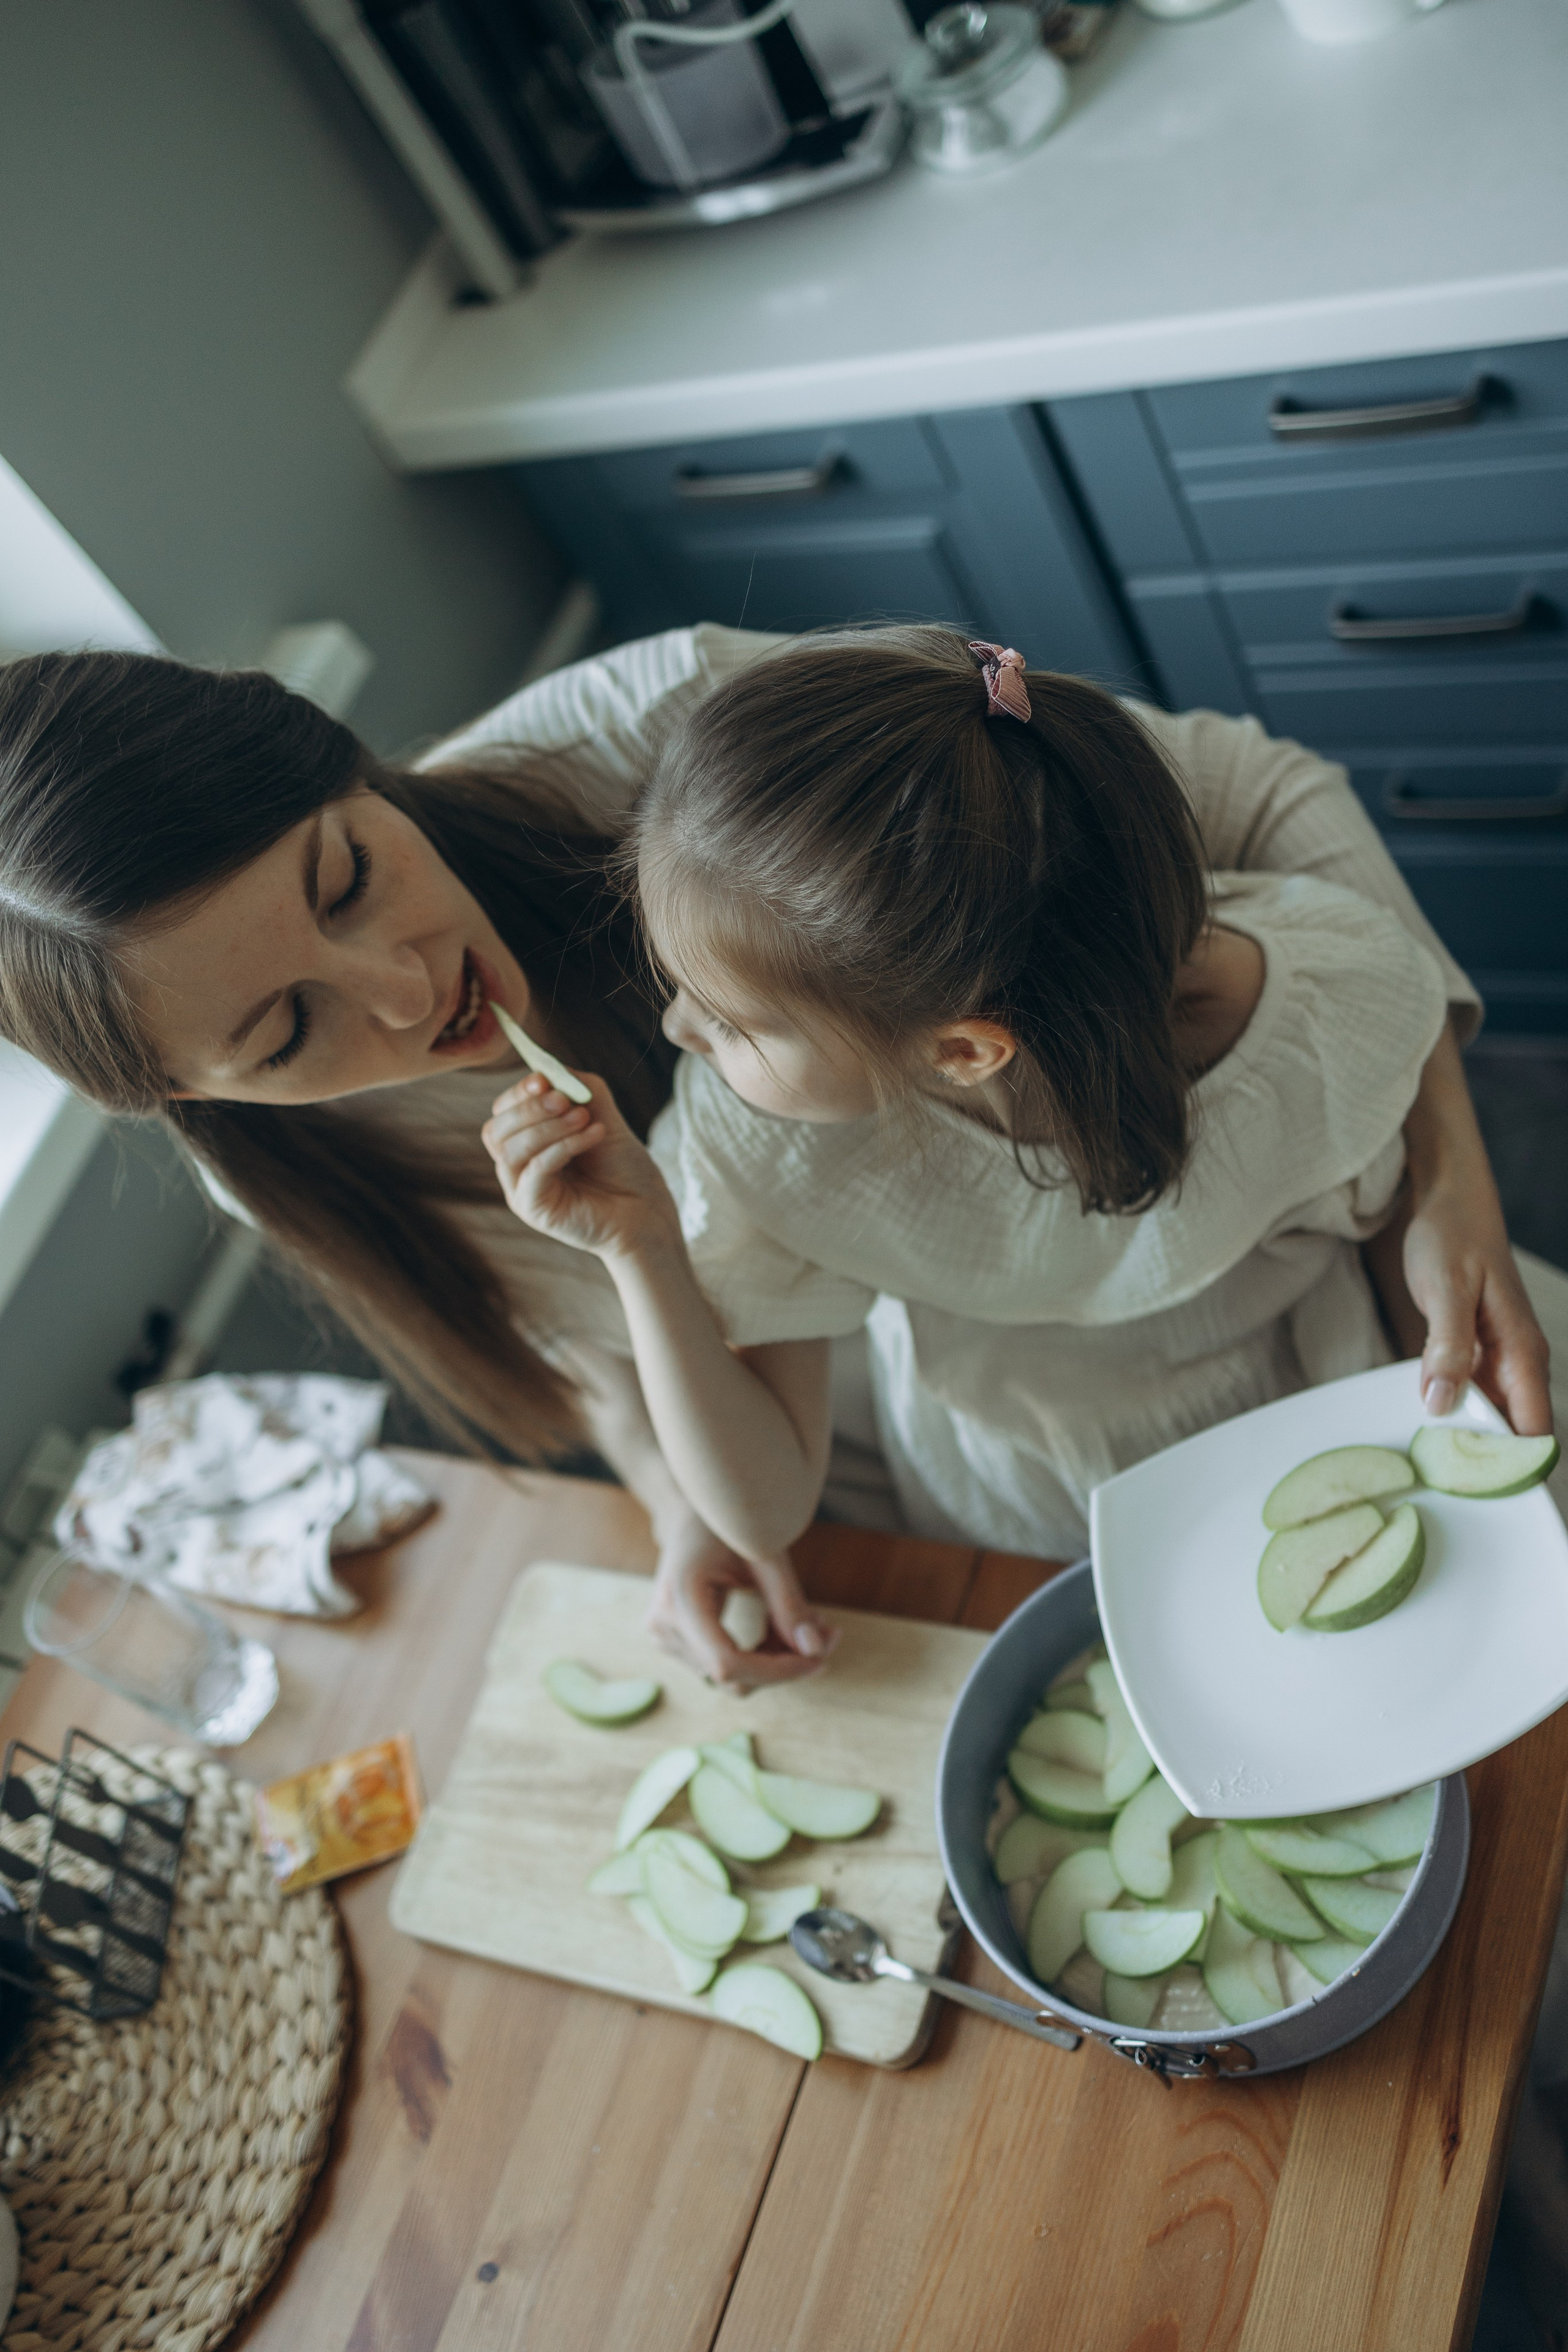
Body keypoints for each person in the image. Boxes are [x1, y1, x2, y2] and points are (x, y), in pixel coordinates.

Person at [0, 626, 1548, 1689]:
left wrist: (1446, 1184)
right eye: (284, 1036)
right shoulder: (722, 1160)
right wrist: (685, 1509)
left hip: (1256, 1232)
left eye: (347, 877)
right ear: (192, 1096)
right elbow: (617, 1369)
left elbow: (1253, 829)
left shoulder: (681, 739)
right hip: (923, 1383)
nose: (408, 994)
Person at [485, 628, 1554, 1643]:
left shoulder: (1321, 1007)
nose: (676, 1033)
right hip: (1023, 1499)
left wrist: (1444, 1213)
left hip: (1314, 1415)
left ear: (960, 1052)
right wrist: (643, 1250)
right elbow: (763, 1509)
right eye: (682, 990)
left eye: (730, 1022)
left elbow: (1394, 1206)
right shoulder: (757, 1140)